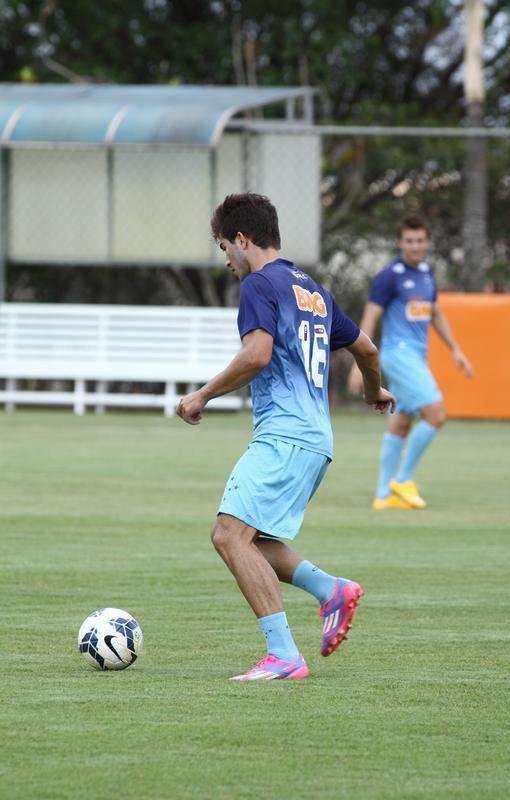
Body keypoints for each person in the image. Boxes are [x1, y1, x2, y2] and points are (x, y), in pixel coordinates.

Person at [177, 193, 395, 682]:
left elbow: (256, 355)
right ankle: (331, 590)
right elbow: (366, 347)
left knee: (228, 535)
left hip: (284, 436)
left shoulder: (260, 284)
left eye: (223, 248)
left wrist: (202, 396)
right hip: (316, 441)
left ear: (242, 239)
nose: (226, 260)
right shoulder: (311, 290)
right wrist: (372, 392)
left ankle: (283, 656)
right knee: (253, 538)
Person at [348, 216, 472, 510]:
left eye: (419, 240)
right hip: (398, 353)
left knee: (401, 423)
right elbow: (371, 316)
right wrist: (358, 361)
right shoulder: (390, 275)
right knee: (436, 414)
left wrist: (456, 349)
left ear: (427, 242)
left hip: (417, 355)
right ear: (400, 243)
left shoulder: (427, 273)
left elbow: (436, 313)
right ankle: (402, 480)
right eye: (409, 241)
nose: (415, 246)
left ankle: (382, 495)